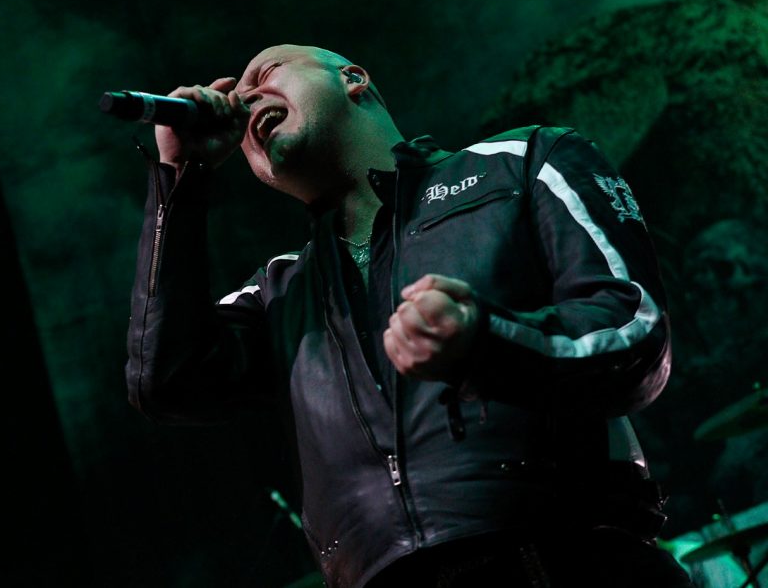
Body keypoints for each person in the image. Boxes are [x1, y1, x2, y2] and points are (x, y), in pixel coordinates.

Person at [126, 44, 693, 587]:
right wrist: (180, 177)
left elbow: (633, 330)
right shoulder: (278, 290)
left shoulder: (524, 163)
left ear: (353, 79)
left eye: (268, 72)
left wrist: (485, 342)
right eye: (240, 94)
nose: (245, 98)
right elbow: (166, 379)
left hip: (568, 557)